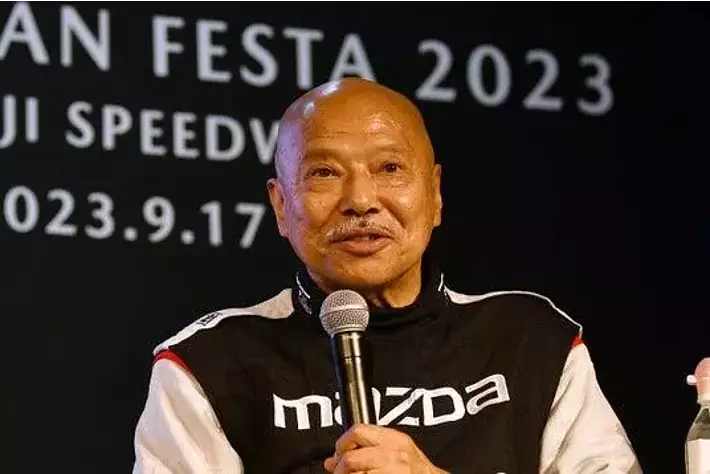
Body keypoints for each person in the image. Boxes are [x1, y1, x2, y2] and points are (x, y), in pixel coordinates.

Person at [132, 78, 642, 473]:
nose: (361, 200)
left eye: (390, 169)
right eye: (324, 173)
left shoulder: (530, 340)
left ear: (435, 194)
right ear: (281, 205)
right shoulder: (210, 363)